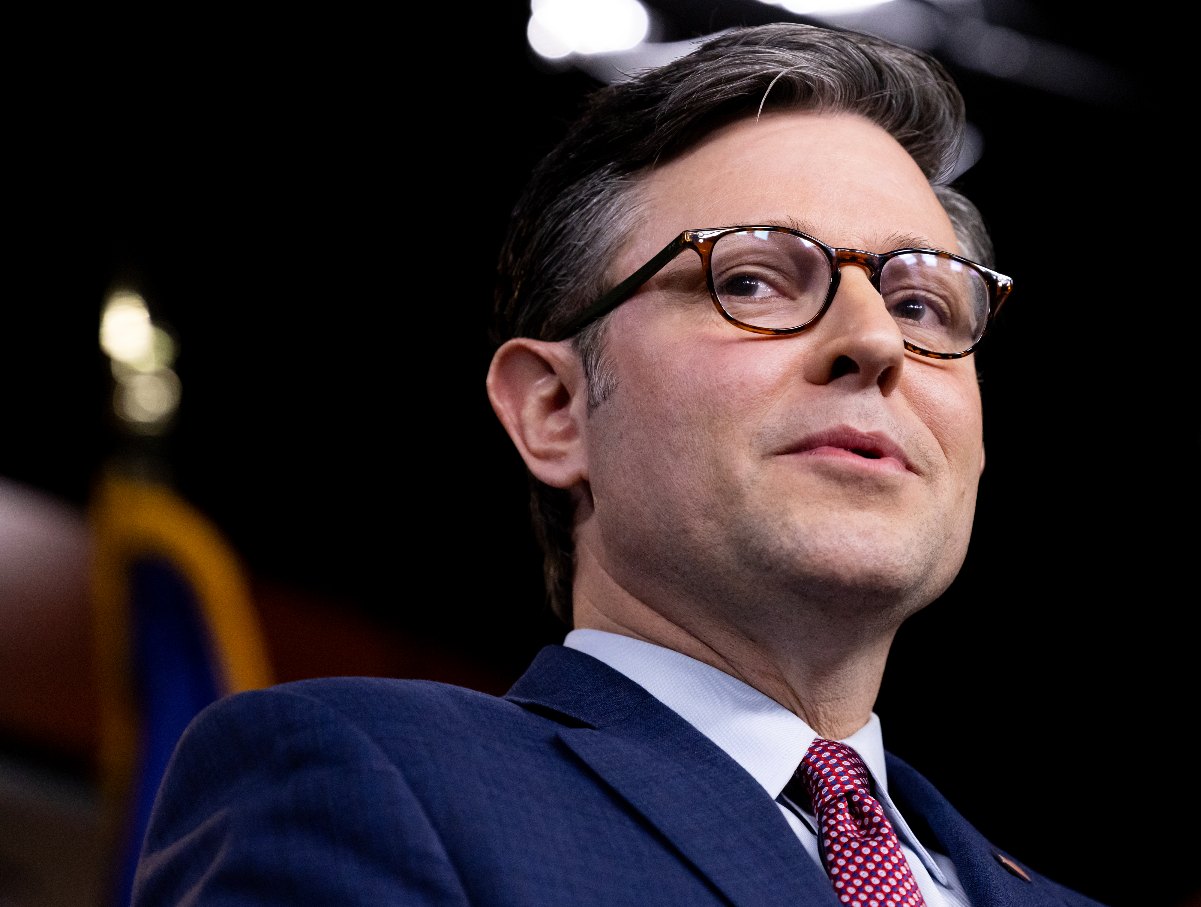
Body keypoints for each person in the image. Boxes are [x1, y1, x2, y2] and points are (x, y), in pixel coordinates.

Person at [133, 21, 1111, 907]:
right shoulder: (368, 781)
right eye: (754, 279)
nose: (876, 342)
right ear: (555, 409)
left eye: (920, 305)